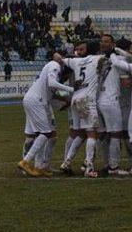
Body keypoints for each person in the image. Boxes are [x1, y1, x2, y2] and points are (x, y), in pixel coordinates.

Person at [17, 59, 74, 177]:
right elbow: (52, 84)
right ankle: (25, 161)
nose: (66, 79)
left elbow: (52, 95)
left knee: (49, 135)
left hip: (41, 103)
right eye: (67, 76)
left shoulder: (54, 73)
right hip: (35, 101)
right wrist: (71, 89)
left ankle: (40, 166)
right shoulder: (55, 66)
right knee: (43, 134)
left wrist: (66, 102)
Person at [56, 40, 103, 178]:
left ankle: (67, 162)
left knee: (79, 134)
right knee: (92, 134)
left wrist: (67, 55)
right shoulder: (98, 58)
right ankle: (89, 168)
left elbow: (58, 58)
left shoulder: (75, 62)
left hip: (75, 99)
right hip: (87, 99)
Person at [96, 34, 129, 176]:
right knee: (116, 134)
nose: (103, 44)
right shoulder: (119, 60)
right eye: (102, 41)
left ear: (112, 43)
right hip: (111, 100)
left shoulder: (97, 60)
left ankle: (106, 164)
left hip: (99, 101)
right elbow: (126, 83)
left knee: (103, 135)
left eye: (106, 42)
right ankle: (114, 167)